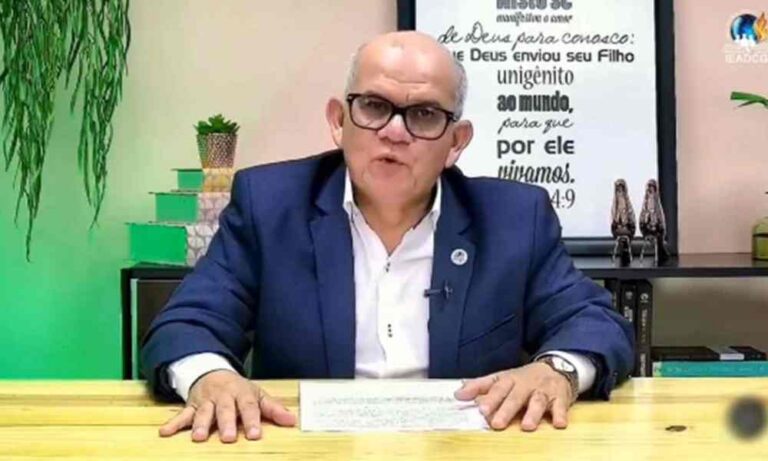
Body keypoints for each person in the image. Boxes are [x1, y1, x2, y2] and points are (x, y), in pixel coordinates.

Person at [141, 31, 634, 443]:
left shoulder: (513, 218)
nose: (395, 132)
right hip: (307, 450)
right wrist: (211, 376)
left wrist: (557, 372)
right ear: (339, 121)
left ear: (456, 142)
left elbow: (596, 324)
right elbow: (186, 324)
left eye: (424, 114)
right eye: (375, 106)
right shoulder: (270, 206)